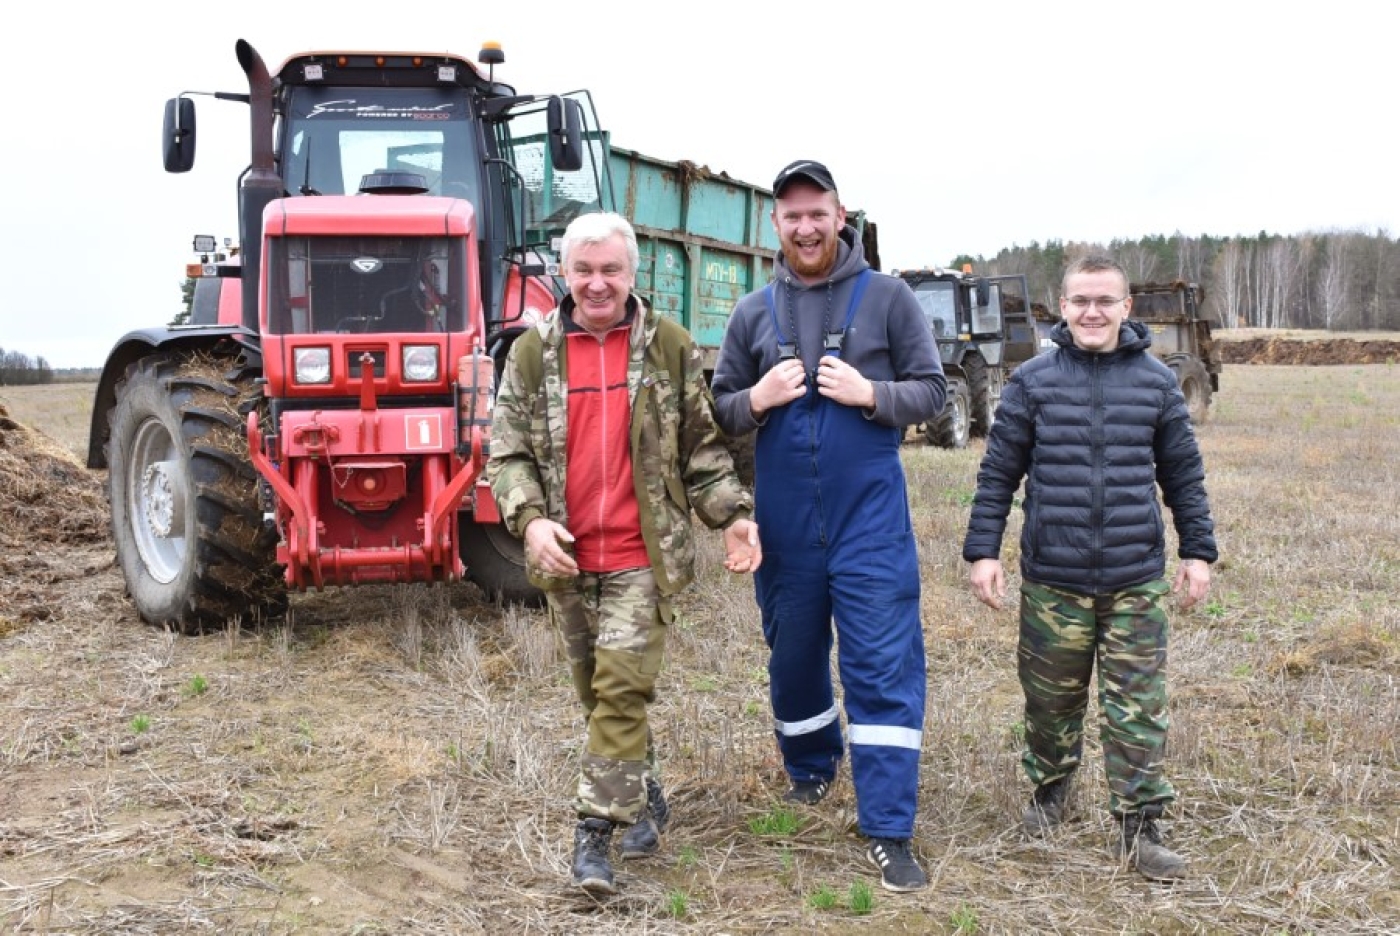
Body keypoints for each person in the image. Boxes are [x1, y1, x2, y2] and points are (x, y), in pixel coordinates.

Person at [486, 211, 762, 896]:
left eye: (611, 269)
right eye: (583, 270)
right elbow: (507, 455)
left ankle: (594, 836)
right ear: (564, 273)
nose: (597, 283)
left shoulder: (668, 347)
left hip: (643, 556)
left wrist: (732, 517)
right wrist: (530, 523)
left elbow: (702, 451)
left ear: (632, 274)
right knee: (597, 692)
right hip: (567, 559)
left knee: (620, 690)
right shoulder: (531, 355)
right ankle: (646, 793)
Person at [710, 159, 946, 893]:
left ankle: (887, 828)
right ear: (775, 224)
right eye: (793, 216)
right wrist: (757, 398)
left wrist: (873, 393)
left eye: (818, 213)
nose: (806, 227)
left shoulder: (889, 297)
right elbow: (718, 409)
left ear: (841, 217)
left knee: (881, 664)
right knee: (793, 656)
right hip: (785, 525)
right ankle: (811, 769)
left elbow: (934, 392)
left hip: (868, 524)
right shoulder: (752, 313)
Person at [962, 253, 1217, 882]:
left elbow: (1183, 475)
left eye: (1105, 301)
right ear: (1063, 307)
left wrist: (1197, 552)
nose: (1093, 312)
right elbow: (998, 474)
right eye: (1081, 301)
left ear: (1126, 307)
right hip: (1054, 579)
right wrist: (983, 551)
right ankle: (1050, 793)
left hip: (1134, 579)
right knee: (1050, 702)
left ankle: (1140, 825)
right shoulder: (1032, 382)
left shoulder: (1156, 383)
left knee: (1137, 708)